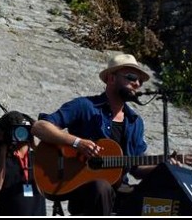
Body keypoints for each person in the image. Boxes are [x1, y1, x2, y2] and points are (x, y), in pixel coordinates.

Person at [32, 54, 155, 216]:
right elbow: (40, 127)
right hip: (85, 190)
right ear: (111, 78)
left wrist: (166, 164)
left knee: (159, 198)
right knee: (100, 186)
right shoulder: (85, 106)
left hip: (120, 190)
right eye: (132, 77)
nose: (137, 84)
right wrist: (77, 143)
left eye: (140, 81)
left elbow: (137, 168)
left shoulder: (135, 122)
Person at [0, 111, 46, 216]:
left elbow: (50, 183)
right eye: (16, 130)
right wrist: (3, 148)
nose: (20, 136)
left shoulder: (36, 158)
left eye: (24, 131)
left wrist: (34, 146)